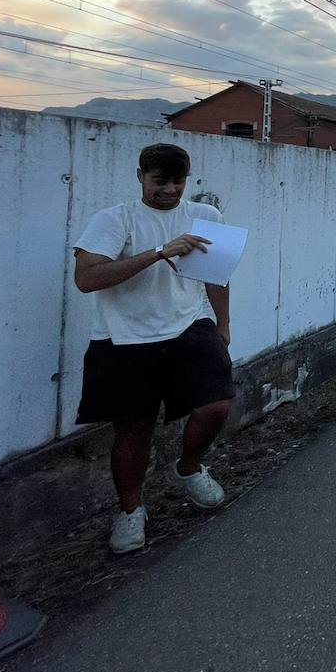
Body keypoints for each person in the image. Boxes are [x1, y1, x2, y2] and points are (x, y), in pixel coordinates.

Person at [72, 143, 235, 554]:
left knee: (216, 405)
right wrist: (160, 252)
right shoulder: (113, 221)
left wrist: (224, 323)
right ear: (140, 176)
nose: (169, 190)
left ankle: (188, 468)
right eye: (159, 181)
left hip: (188, 323)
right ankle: (130, 511)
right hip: (122, 335)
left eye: (177, 181)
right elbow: (87, 279)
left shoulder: (205, 216)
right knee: (133, 428)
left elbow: (216, 273)